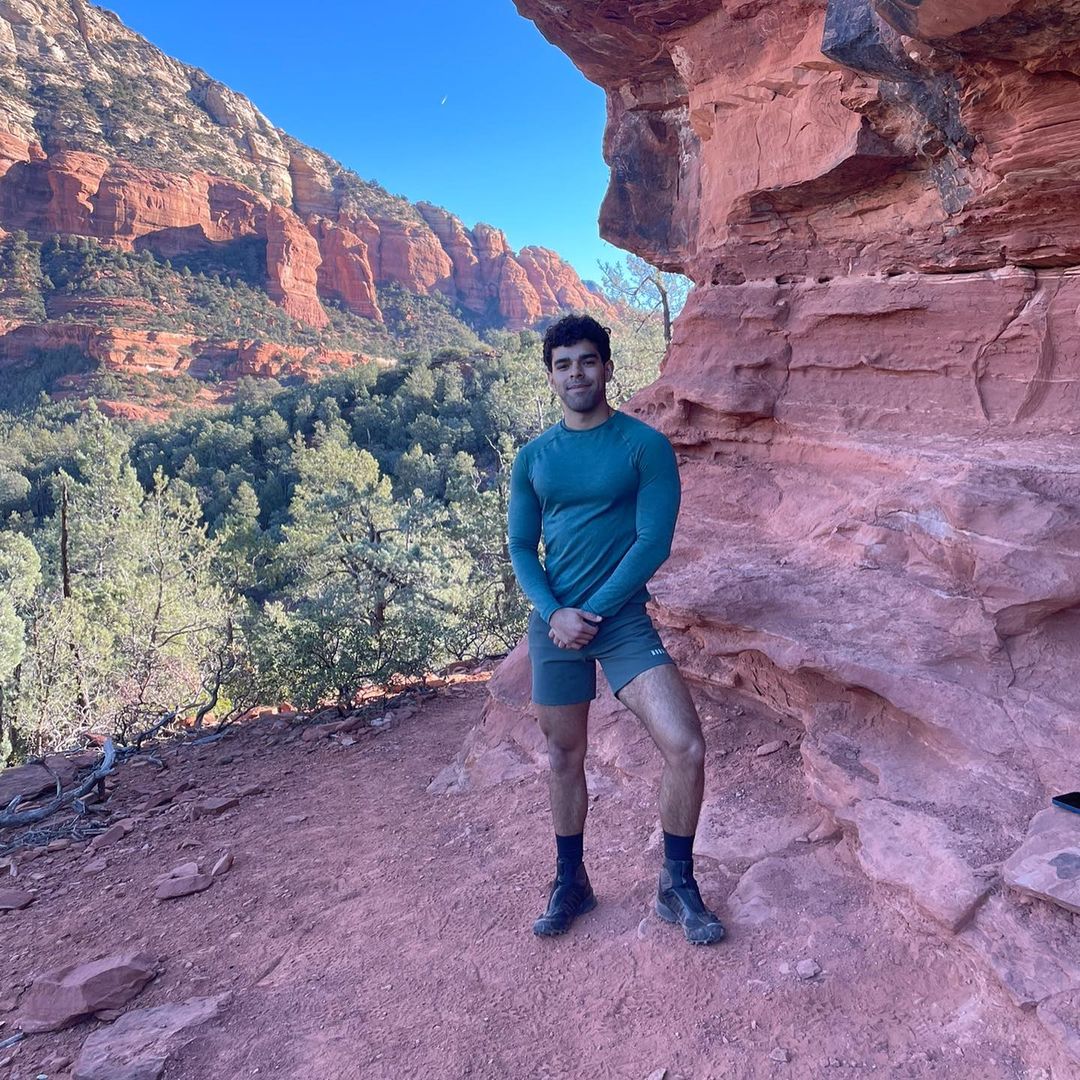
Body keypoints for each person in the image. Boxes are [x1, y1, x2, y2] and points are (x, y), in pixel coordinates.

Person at [507, 314, 724, 946]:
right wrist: (555, 613)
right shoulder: (533, 458)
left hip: (620, 619)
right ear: (551, 377)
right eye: (563, 365)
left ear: (606, 367)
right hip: (555, 624)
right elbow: (521, 547)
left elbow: (653, 541)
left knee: (685, 745)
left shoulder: (643, 446)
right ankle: (570, 881)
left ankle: (676, 883)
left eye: (587, 361)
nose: (576, 374)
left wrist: (591, 613)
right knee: (563, 754)